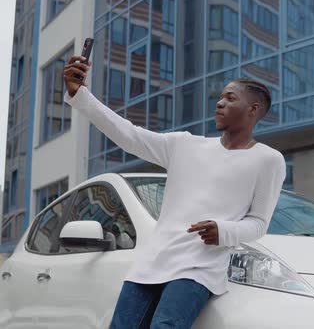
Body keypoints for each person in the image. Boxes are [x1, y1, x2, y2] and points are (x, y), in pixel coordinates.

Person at [63, 55, 286, 329]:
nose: (219, 103)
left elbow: (259, 223)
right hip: (152, 262)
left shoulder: (268, 160)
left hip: (198, 268)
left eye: (230, 98)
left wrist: (223, 230)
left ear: (252, 109)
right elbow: (129, 135)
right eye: (220, 97)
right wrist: (80, 95)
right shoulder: (185, 145)